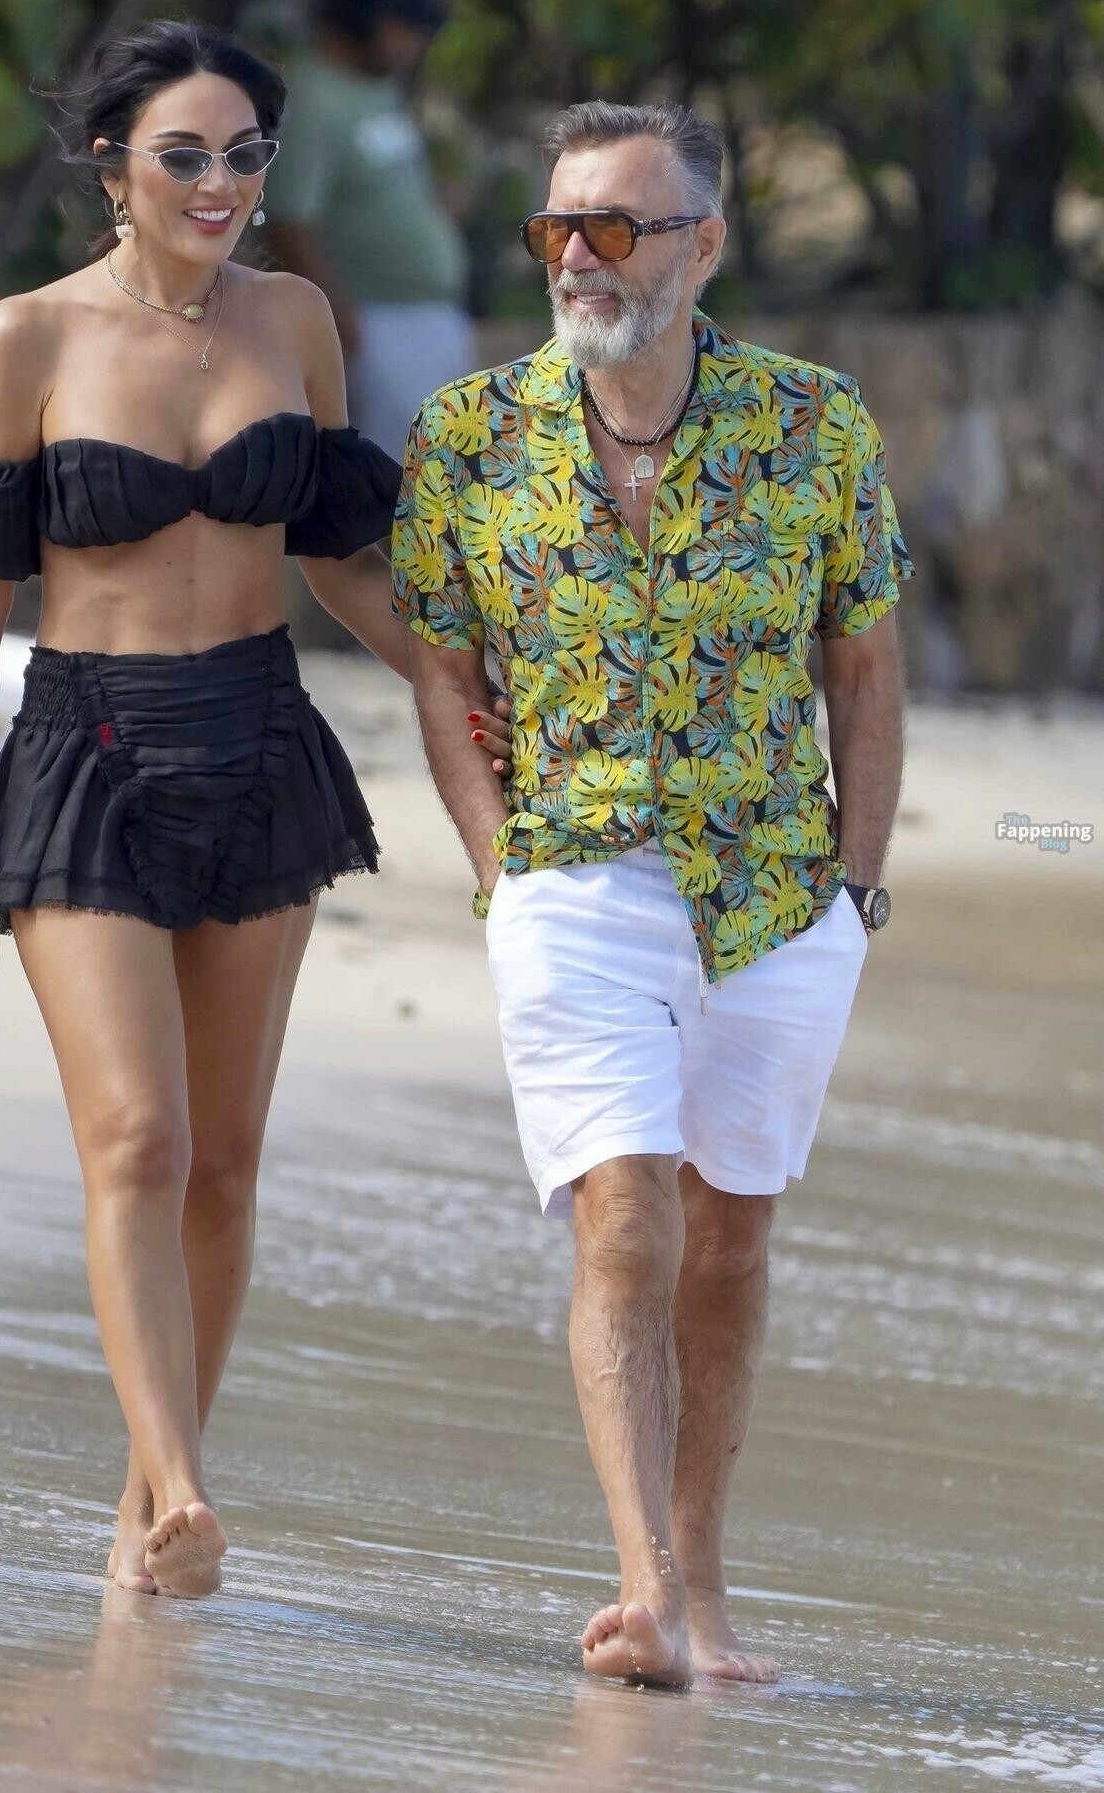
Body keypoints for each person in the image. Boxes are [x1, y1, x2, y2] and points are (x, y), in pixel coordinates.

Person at [0, 21, 511, 1601]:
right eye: (184, 156)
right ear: (113, 167)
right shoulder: (29, 334)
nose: (220, 184)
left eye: (244, 155)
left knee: (222, 1161)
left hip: (259, 744)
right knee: (136, 1141)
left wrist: (465, 680)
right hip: (84, 753)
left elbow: (336, 558)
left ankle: (140, 1516)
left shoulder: (293, 317)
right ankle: (183, 1487)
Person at [393, 99, 914, 1687]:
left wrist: (855, 894)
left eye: (613, 227)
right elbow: (439, 666)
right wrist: (496, 864)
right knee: (622, 1215)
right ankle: (647, 1594)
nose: (577, 257)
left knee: (726, 1244)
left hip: (777, 897)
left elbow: (862, 668)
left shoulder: (814, 426)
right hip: (568, 881)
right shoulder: (468, 435)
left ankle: (702, 1571)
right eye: (556, 226)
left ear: (702, 246)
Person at [261, 0, 474, 462]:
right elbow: (289, 220)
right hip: (374, 322)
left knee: (452, 478)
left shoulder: (376, 90)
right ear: (360, 19)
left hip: (430, 315)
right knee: (395, 481)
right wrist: (341, 322)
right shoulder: (313, 96)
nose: (416, 40)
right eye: (403, 25)